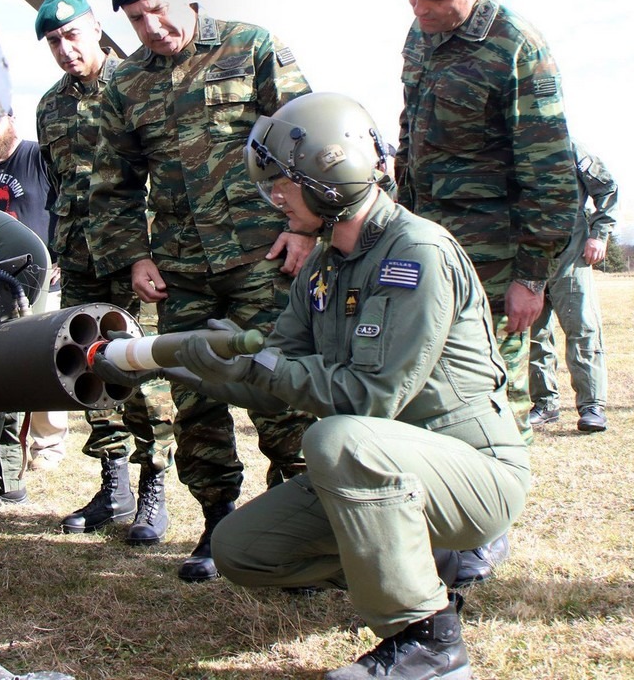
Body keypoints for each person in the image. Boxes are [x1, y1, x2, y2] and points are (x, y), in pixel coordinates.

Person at [102, 92, 529, 680]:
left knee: (334, 440)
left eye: (282, 182)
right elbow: (280, 373)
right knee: (242, 549)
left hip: (472, 471)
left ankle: (429, 642)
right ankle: (424, 560)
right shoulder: (325, 268)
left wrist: (263, 365)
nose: (272, 196)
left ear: (330, 176)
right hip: (386, 470)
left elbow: (368, 398)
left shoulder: (417, 254)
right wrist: (188, 366)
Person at [87, 0, 315, 581]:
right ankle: (217, 519)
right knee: (194, 400)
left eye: (158, 8)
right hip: (181, 271)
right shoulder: (125, 84)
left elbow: (309, 139)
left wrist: (302, 229)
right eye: (137, 19)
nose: (152, 25)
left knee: (283, 392)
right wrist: (135, 254)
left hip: (263, 261)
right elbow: (112, 184)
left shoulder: (252, 47)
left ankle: (298, 517)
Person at [391, 0, 579, 584]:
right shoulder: (420, 38)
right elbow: (410, 140)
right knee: (430, 382)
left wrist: (533, 274)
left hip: (497, 257)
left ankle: (490, 522)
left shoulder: (517, 47)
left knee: (495, 388)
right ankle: (443, 510)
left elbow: (551, 172)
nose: (423, 9)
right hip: (429, 249)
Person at [34, 0, 177, 544]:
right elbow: (58, 185)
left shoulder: (136, 83)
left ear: (95, 28)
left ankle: (153, 486)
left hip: (136, 257)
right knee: (91, 367)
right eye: (53, 42)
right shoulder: (49, 106)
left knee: (141, 368)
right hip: (78, 256)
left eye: (71, 35)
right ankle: (112, 485)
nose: (65, 49)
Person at [0, 112, 69, 471]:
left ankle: (48, 444)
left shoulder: (38, 157)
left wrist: (60, 255)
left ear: (10, 120)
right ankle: (4, 451)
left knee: (45, 361)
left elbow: (64, 206)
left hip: (40, 278)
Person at [528, 142, 619, 433]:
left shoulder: (568, 148)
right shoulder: (509, 150)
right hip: (528, 253)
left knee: (582, 327)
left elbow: (607, 188)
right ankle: (544, 404)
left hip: (572, 252)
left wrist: (599, 234)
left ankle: (592, 405)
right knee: (534, 333)